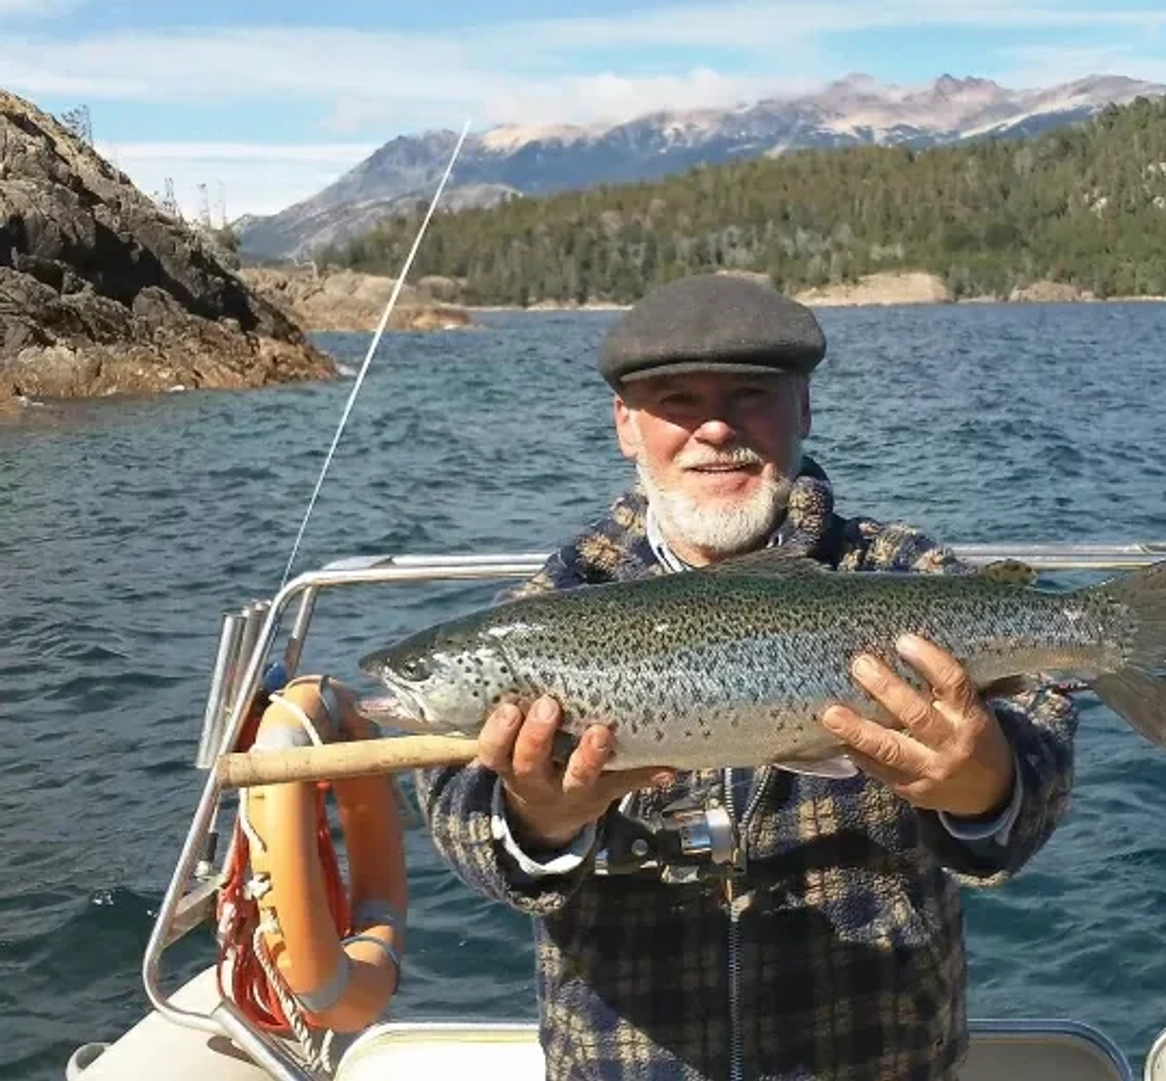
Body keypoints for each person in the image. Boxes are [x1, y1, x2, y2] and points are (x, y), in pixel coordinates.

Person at [416, 273, 1078, 1080]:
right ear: (626, 423)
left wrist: (987, 783)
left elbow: (1042, 736)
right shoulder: (555, 604)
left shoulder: (904, 571)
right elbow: (455, 804)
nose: (716, 428)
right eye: (677, 400)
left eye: (751, 395)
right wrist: (536, 822)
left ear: (803, 407)